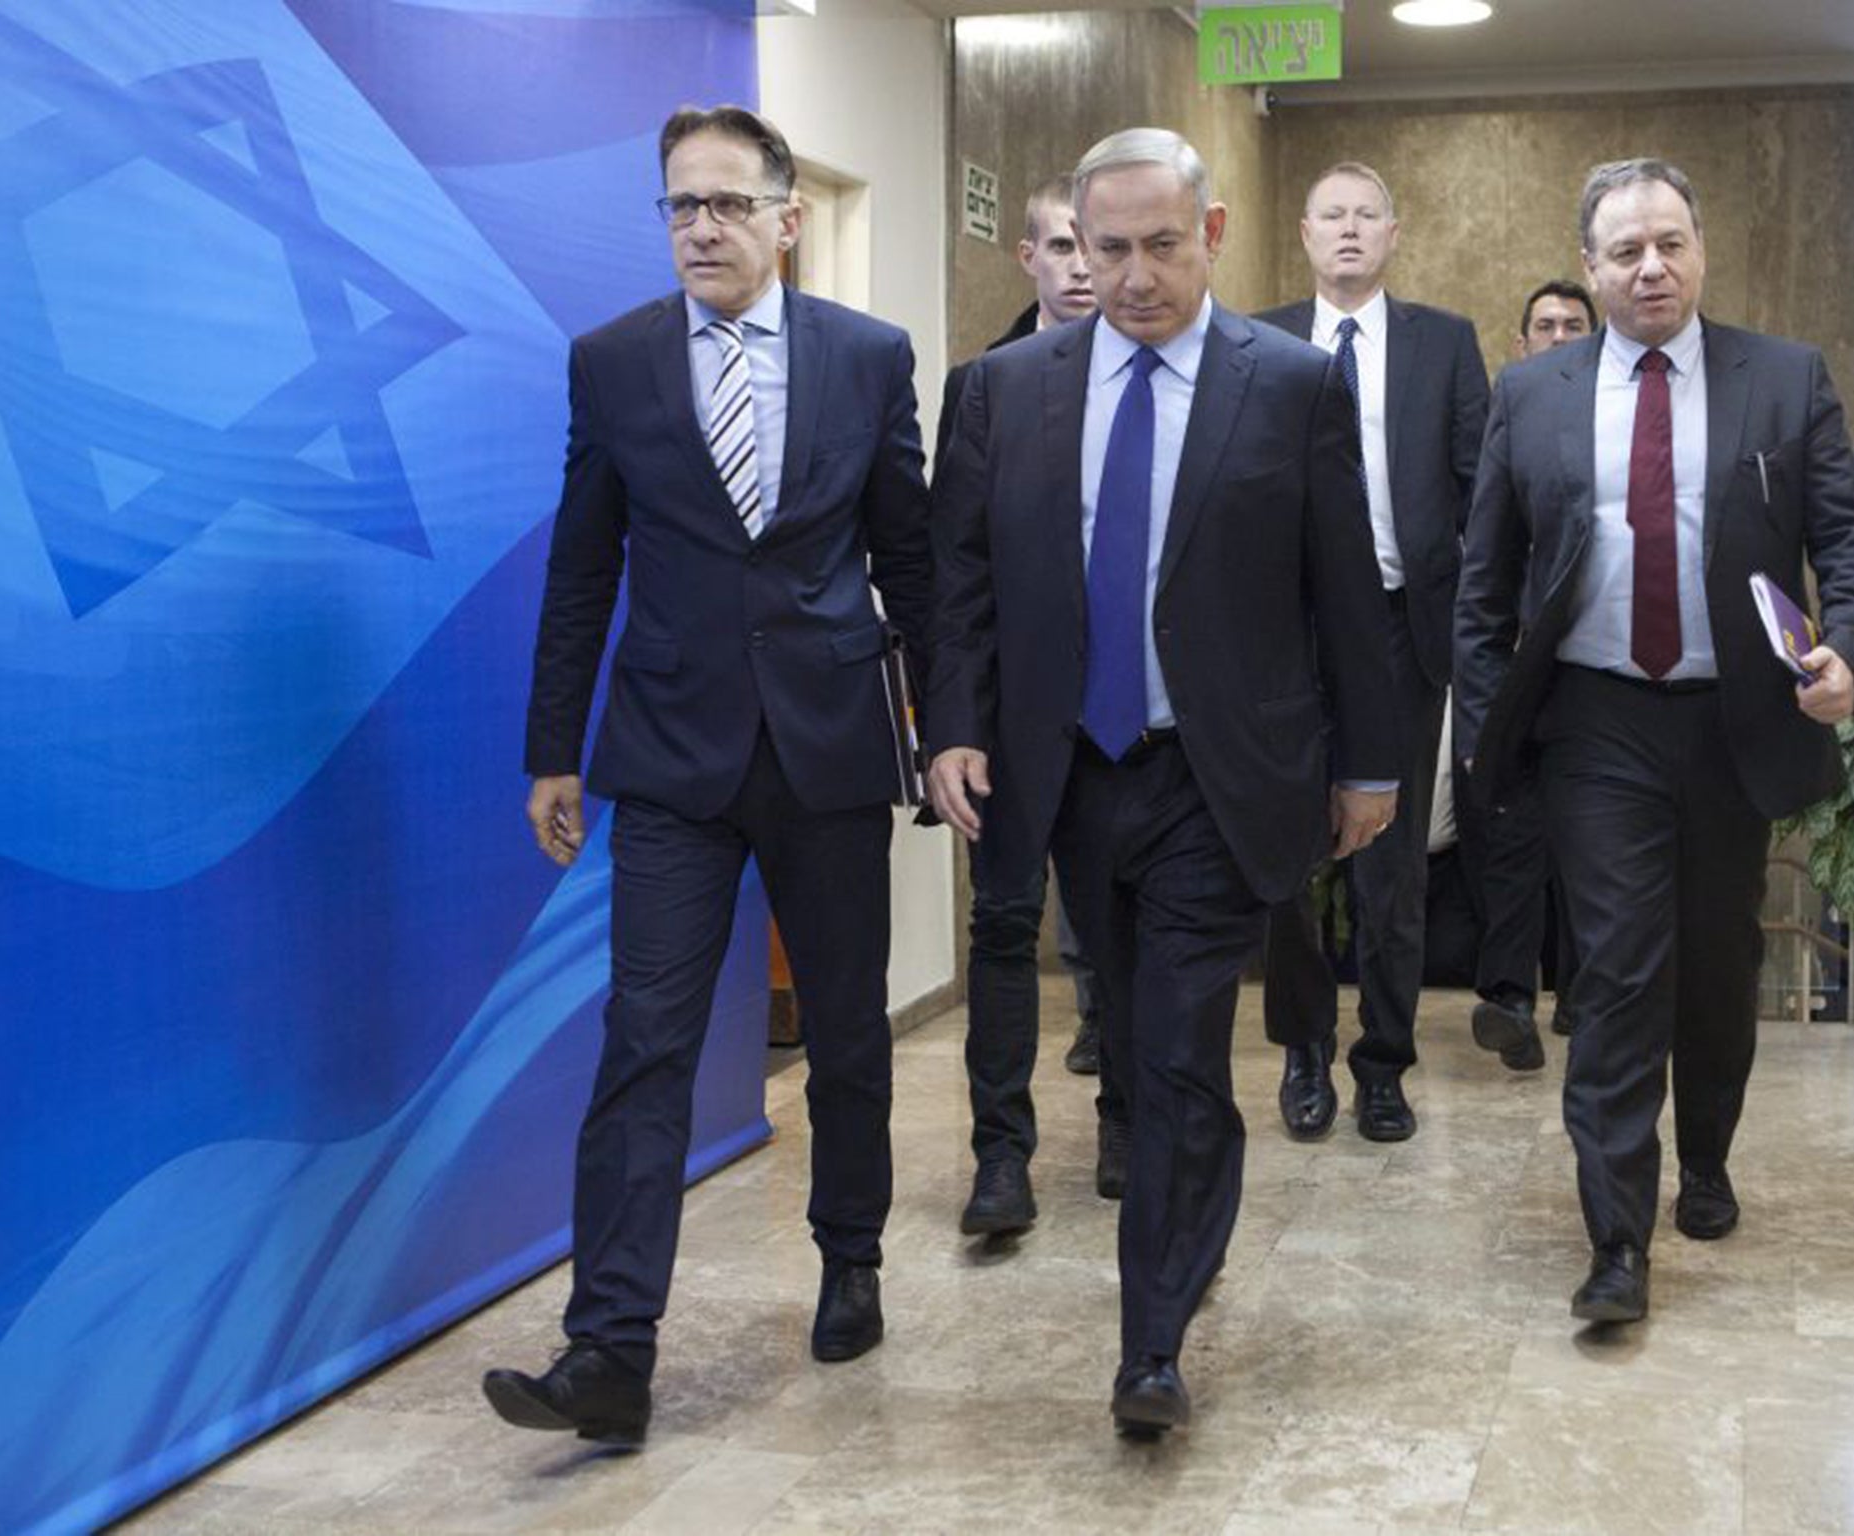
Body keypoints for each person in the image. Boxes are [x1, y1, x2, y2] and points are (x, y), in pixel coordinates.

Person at [926, 126, 1400, 1436]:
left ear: (1216, 233)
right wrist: (951, 726)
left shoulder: (1292, 385)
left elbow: (1345, 593)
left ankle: (1150, 1348)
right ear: (1073, 246)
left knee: (1187, 1051)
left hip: (1219, 770)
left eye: (1160, 245)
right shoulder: (1005, 389)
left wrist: (1369, 763)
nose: (1132, 275)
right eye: (1105, 247)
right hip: (1071, 774)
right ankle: (1182, 1250)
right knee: (1129, 1048)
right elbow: (959, 581)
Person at [482, 104, 931, 1443]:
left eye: (729, 204)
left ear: (788, 216)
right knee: (647, 1043)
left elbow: (908, 556)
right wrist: (551, 748)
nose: (703, 229)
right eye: (681, 206)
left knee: (848, 1029)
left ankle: (850, 1252)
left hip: (831, 745)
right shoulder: (612, 363)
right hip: (671, 756)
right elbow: (582, 570)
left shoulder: (867, 357)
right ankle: (608, 1350)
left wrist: (951, 730)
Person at [1455, 157, 1854, 1324]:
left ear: (1698, 249)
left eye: (1669, 243)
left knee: (1710, 965)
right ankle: (1614, 1242)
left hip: (1731, 720)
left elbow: (1849, 543)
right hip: (1594, 722)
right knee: (1617, 969)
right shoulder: (1530, 394)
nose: (1650, 267)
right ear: (1589, 269)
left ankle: (1704, 1154)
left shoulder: (1782, 380)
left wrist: (1847, 647)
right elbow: (1482, 582)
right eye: (1623, 251)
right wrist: (1500, 720)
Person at [1256, 162, 1492, 1142]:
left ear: (1392, 234)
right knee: (1287, 859)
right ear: (1304, 235)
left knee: (1390, 866)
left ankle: (1383, 1063)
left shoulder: (1442, 343)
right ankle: (1304, 1049)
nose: (1348, 232)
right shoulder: (1257, 340)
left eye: (1365, 217)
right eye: (1330, 217)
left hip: (1402, 629)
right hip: (1288, 635)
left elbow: (1481, 486)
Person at [933, 174, 1117, 1238]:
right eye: (1060, 246)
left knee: (1120, 937)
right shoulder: (982, 387)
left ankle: (1128, 1125)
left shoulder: (1155, 381)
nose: (1082, 266)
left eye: (1091, 245)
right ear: (1030, 260)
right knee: (1003, 934)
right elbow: (951, 576)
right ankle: (999, 1158)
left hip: (1118, 721)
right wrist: (948, 725)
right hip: (1006, 727)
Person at [1452, 278, 1602, 1060]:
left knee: (1588, 840)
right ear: (1521, 343)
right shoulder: (1509, 410)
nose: (1559, 336)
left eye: (1574, 325)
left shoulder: (1619, 421)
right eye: (1544, 325)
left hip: (1595, 677)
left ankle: (1578, 992)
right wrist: (1479, 710)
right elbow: (1485, 560)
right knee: (1511, 834)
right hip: (1514, 674)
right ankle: (1508, 997)